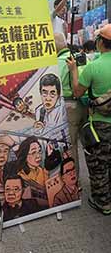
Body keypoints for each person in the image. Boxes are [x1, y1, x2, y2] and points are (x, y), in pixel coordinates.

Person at [67, 24, 111, 215]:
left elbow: (77, 92)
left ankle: (103, 203)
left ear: (100, 42)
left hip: (100, 124)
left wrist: (74, 70)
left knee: (98, 165)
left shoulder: (93, 67)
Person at [54, 33, 87, 175]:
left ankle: (75, 181)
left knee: (72, 145)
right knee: (89, 143)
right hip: (86, 105)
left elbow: (56, 88)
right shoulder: (81, 58)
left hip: (69, 107)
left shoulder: (57, 64)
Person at [34, 73, 68, 140]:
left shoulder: (64, 105)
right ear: (40, 93)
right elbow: (40, 135)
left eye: (52, 94)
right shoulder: (39, 110)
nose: (48, 98)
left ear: (58, 95)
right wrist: (37, 130)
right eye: (44, 93)